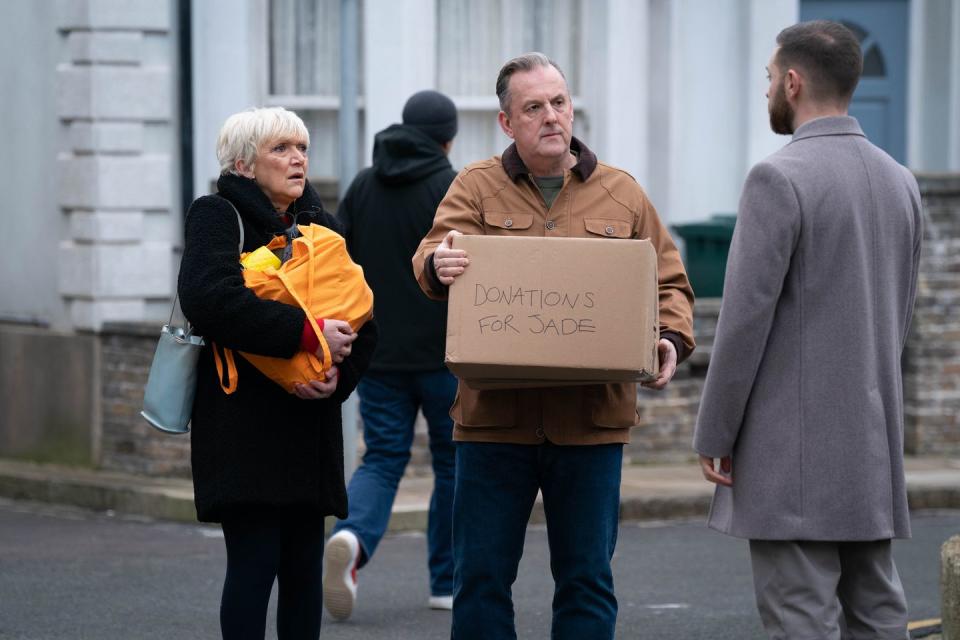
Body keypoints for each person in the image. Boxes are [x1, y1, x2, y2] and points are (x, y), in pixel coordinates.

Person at [412, 53, 695, 639]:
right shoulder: (475, 186)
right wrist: (439, 264)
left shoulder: (622, 194)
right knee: (482, 580)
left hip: (590, 424)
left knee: (587, 580)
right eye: (533, 107)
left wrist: (669, 336)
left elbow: (669, 282)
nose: (551, 117)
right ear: (506, 122)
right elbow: (431, 251)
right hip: (495, 424)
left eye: (559, 103)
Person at [693, 20, 923, 640]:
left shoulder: (779, 178)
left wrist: (715, 431)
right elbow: (896, 317)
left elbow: (743, 322)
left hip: (789, 451)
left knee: (802, 621)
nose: (766, 88)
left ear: (792, 83)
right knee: (879, 615)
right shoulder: (902, 182)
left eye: (769, 78)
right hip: (872, 446)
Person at [178, 106, 378, 639]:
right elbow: (208, 298)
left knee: (303, 575)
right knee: (253, 567)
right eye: (281, 149)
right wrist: (305, 334)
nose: (298, 159)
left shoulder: (321, 226)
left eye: (302, 148)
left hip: (309, 428)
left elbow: (362, 316)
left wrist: (341, 378)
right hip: (244, 428)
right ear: (244, 162)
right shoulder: (218, 215)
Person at [323, 90, 459, 620]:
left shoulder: (363, 183)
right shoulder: (452, 187)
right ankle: (447, 583)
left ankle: (353, 537)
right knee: (453, 464)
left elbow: (337, 262)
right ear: (447, 136)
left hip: (377, 355)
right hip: (447, 357)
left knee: (381, 458)